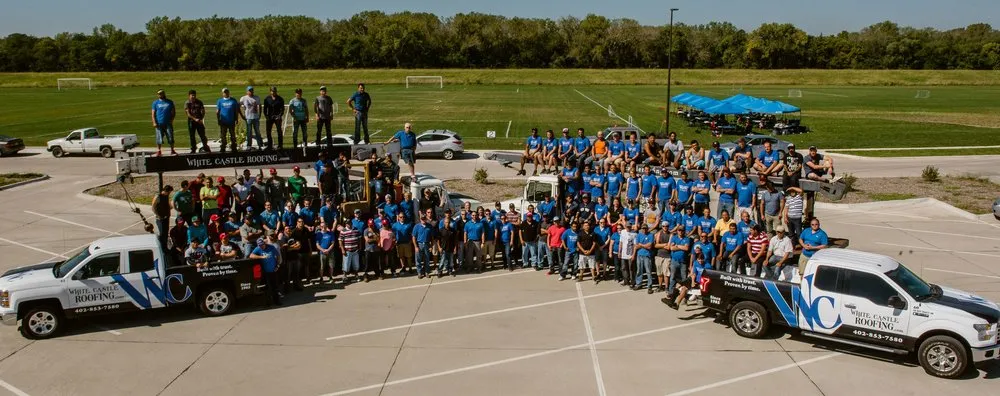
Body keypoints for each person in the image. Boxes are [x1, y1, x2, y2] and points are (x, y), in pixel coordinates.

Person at [249, 238, 282, 305]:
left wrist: (278, 265)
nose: (261, 246)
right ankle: (268, 302)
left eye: (262, 245)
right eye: (260, 245)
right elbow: (251, 255)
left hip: (273, 270)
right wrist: (261, 257)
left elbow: (278, 255)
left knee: (275, 287)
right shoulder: (258, 248)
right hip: (265, 272)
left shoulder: (271, 247)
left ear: (265, 243)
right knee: (266, 288)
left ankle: (277, 301)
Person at [150, 89, 177, 157]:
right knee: (159, 138)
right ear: (157, 95)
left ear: (164, 94)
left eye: (161, 93)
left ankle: (172, 150)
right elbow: (153, 113)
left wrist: (172, 120)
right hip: (159, 123)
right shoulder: (155, 103)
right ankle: (159, 151)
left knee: (170, 137)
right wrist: (154, 122)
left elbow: (173, 112)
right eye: (159, 94)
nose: (160, 95)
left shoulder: (170, 102)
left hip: (168, 123)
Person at [278, 226, 303, 291]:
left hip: (296, 258)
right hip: (288, 259)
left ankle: (296, 286)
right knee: (287, 275)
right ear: (284, 231)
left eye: (289, 229)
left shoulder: (293, 237)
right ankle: (286, 288)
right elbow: (286, 249)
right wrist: (294, 246)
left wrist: (290, 247)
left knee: (296, 273)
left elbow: (299, 246)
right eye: (286, 229)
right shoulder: (283, 238)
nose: (288, 230)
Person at [633, 223, 655, 293]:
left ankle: (650, 286)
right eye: (643, 228)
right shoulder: (639, 235)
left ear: (647, 229)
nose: (644, 230)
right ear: (641, 229)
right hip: (639, 255)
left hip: (647, 255)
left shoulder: (651, 235)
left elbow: (650, 246)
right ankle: (639, 284)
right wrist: (645, 245)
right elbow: (636, 246)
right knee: (639, 270)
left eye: (645, 228)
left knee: (648, 271)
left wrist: (641, 245)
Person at [653, 222, 672, 292]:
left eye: (666, 226)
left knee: (666, 272)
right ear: (662, 227)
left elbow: (669, 247)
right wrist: (664, 244)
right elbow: (656, 245)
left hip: (667, 256)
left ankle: (666, 287)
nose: (665, 227)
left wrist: (661, 245)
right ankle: (660, 286)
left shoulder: (671, 234)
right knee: (659, 272)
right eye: (664, 226)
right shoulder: (659, 234)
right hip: (659, 255)